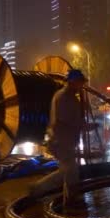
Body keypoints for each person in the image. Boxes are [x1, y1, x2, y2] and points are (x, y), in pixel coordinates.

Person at [29, 69, 88, 203]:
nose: (81, 86)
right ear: (73, 82)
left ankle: (70, 199)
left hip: (65, 140)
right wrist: (84, 126)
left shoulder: (69, 97)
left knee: (70, 171)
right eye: (80, 83)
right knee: (68, 170)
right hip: (62, 141)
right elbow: (64, 120)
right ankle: (38, 188)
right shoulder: (64, 97)